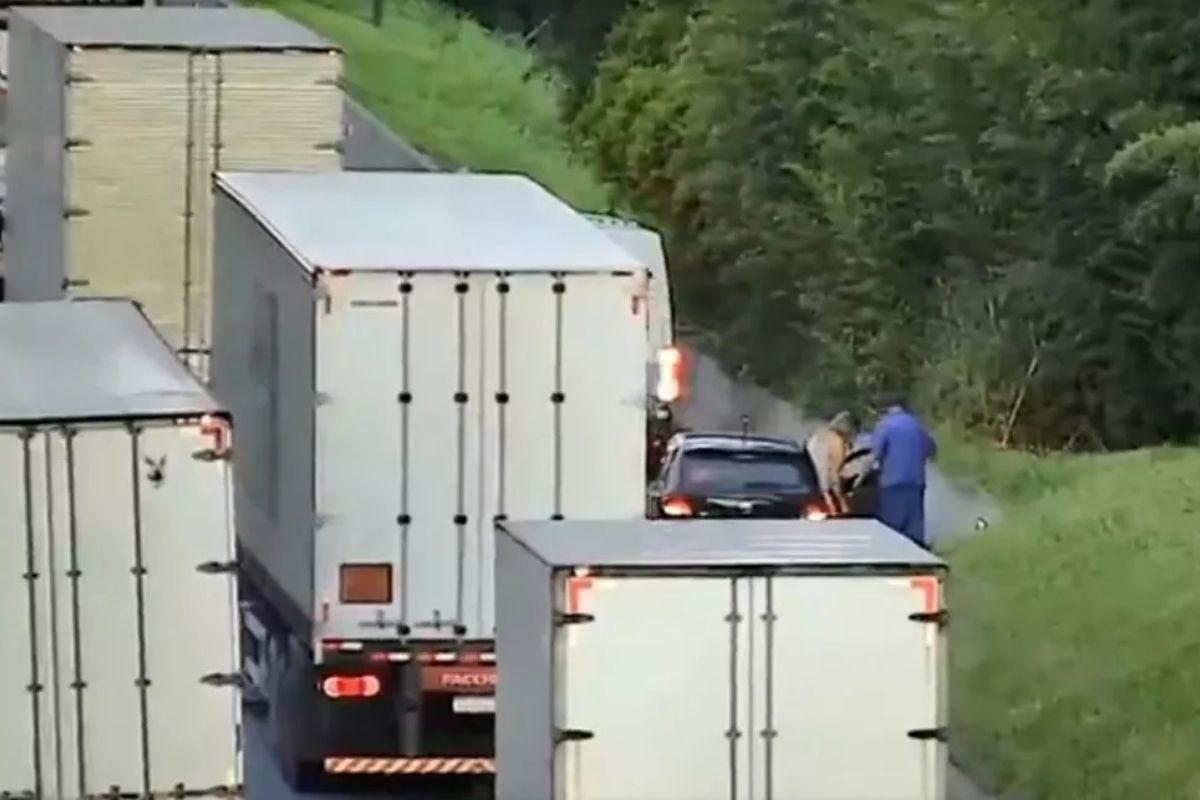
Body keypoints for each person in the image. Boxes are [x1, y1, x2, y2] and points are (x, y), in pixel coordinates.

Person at [870, 393, 937, 546]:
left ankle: (892, 557)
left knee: (892, 527)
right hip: (916, 481)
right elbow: (931, 449)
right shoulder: (917, 425)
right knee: (914, 525)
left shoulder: (885, 425)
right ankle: (916, 556)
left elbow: (873, 453)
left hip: (892, 482)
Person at [806, 410, 857, 514]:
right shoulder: (835, 439)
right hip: (830, 491)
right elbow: (835, 469)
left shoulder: (815, 438)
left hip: (814, 487)